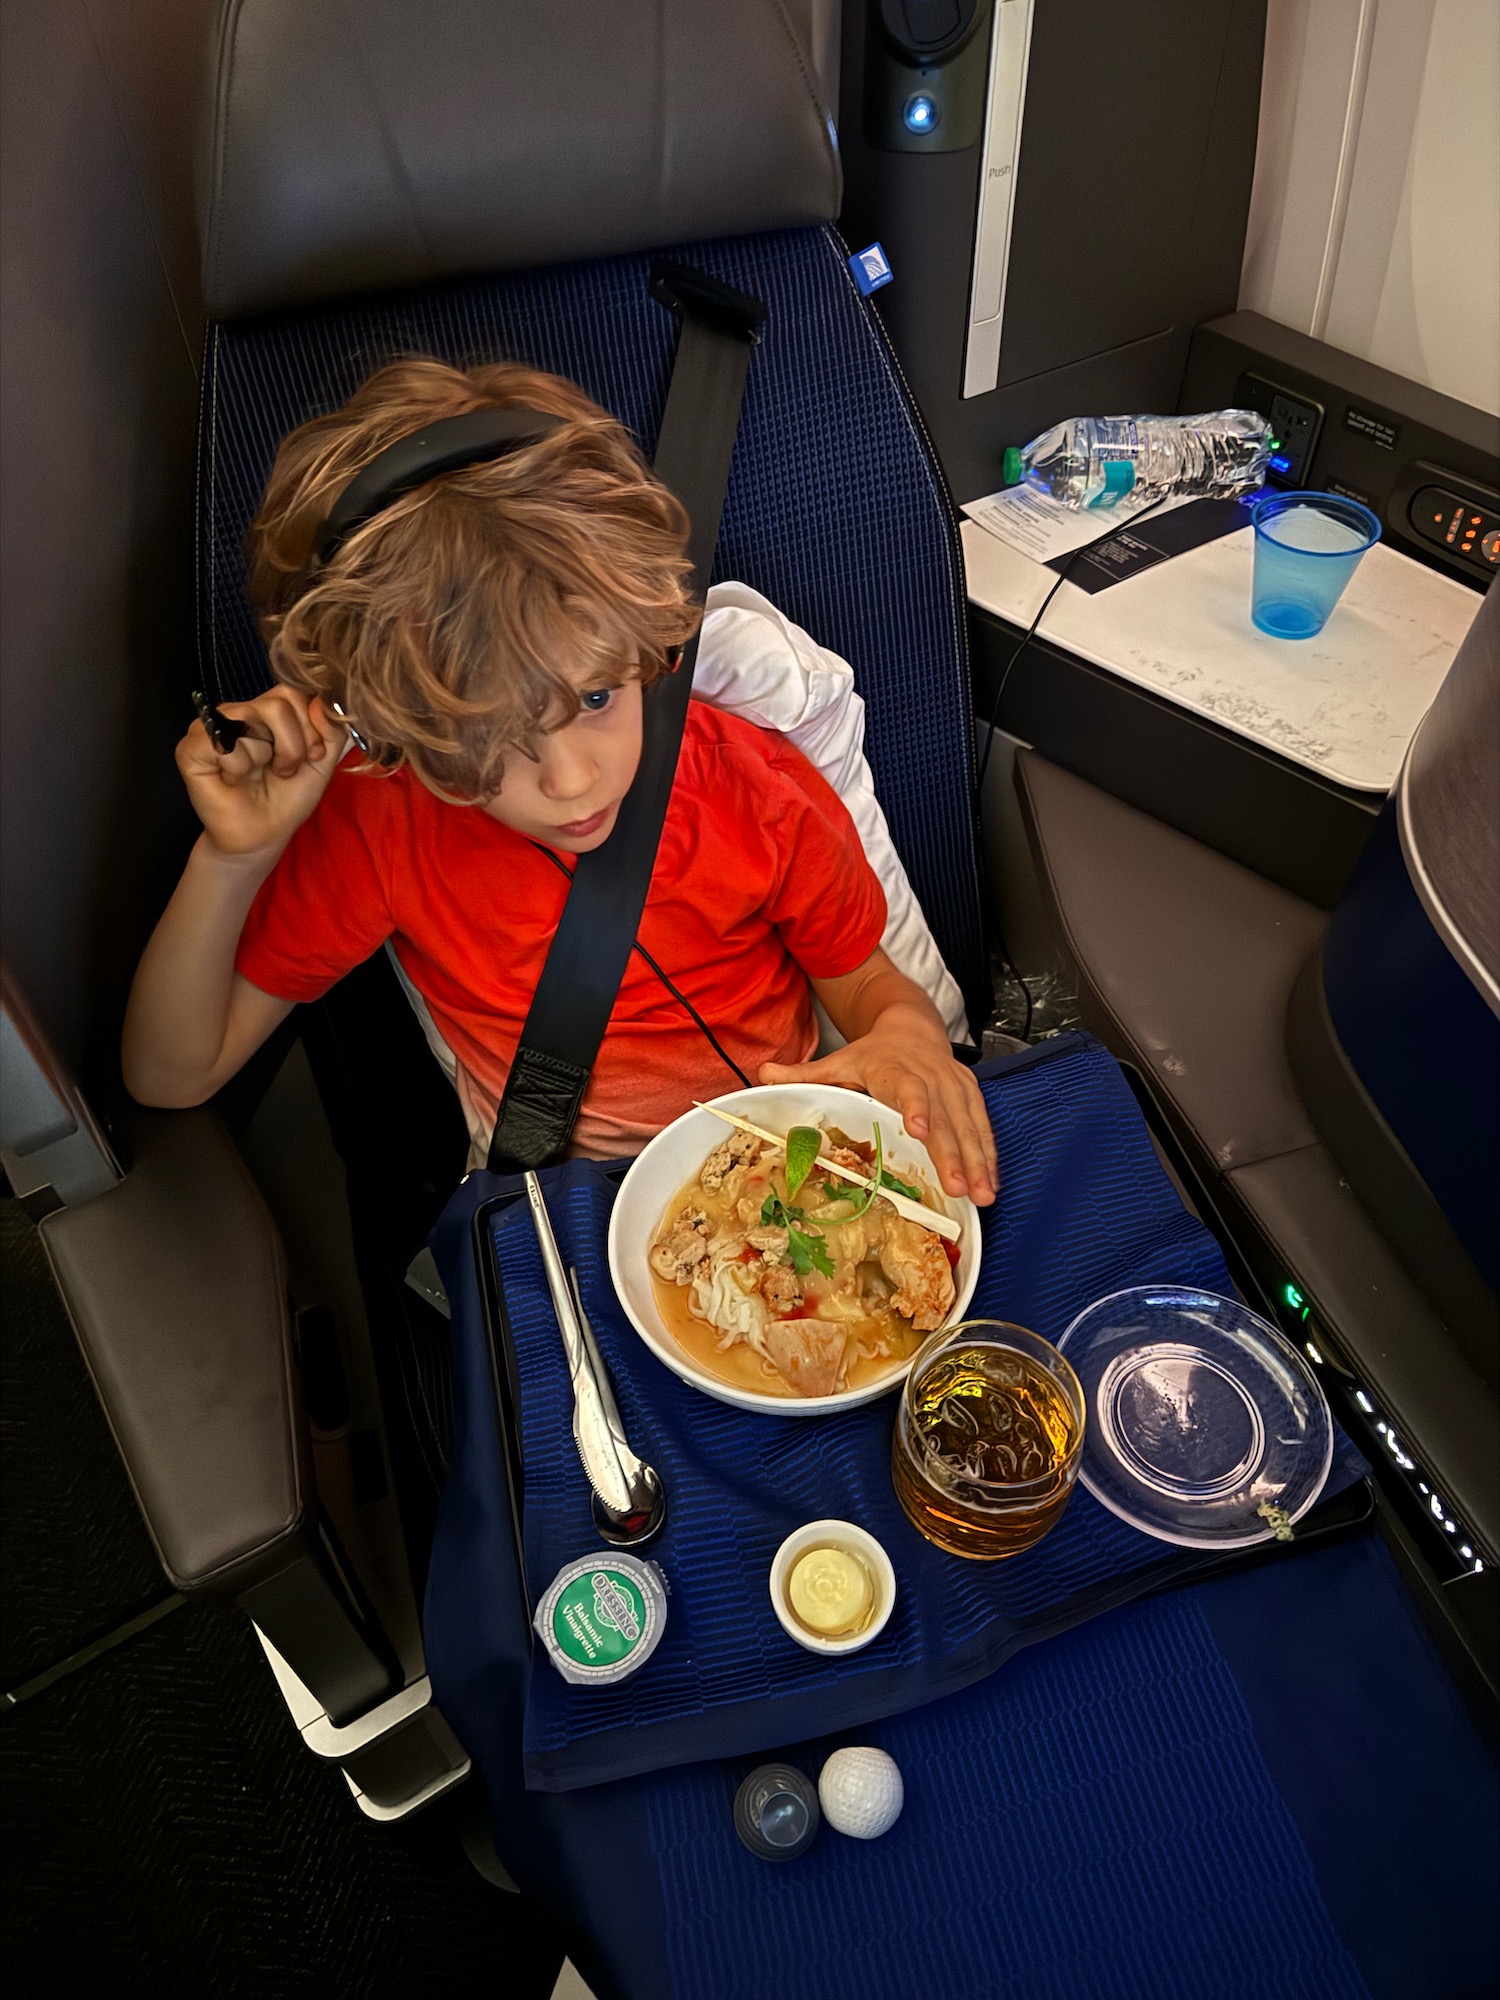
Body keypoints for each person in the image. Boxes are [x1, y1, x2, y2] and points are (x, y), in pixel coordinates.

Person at [122, 358, 997, 1206]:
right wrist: (236, 857)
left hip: (793, 1164)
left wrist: (911, 1038)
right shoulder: (382, 828)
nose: (575, 782)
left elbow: (866, 984)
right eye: (486, 739)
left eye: (595, 694)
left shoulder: (749, 783)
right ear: (385, 728)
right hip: (573, 1200)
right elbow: (171, 1075)